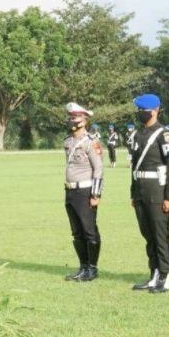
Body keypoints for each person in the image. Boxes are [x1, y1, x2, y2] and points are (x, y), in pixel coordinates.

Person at [129, 94, 169, 293]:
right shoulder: (137, 134)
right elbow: (133, 166)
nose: (140, 113)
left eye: (143, 109)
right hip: (141, 189)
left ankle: (165, 276)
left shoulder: (164, 134)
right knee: (148, 235)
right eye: (139, 110)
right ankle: (154, 274)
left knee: (160, 235)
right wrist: (133, 192)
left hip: (157, 189)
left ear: (155, 110)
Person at [63, 102, 104, 282]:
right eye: (70, 117)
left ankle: (92, 269)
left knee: (89, 231)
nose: (72, 120)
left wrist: (96, 195)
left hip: (86, 191)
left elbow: (99, 169)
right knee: (76, 232)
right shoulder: (68, 141)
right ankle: (83, 267)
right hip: (70, 190)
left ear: (84, 120)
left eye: (76, 117)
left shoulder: (91, 142)